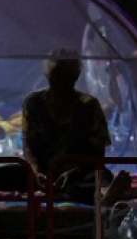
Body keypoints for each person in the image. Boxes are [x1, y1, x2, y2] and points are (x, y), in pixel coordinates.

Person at [21, 48, 127, 203]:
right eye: (56, 77)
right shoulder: (33, 103)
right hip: (43, 175)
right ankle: (71, 193)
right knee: (0, 176)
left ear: (75, 76)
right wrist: (37, 173)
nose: (60, 84)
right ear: (48, 76)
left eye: (65, 78)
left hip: (79, 174)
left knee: (99, 177)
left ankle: (102, 196)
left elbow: (98, 155)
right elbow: (28, 147)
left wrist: (73, 173)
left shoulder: (89, 106)